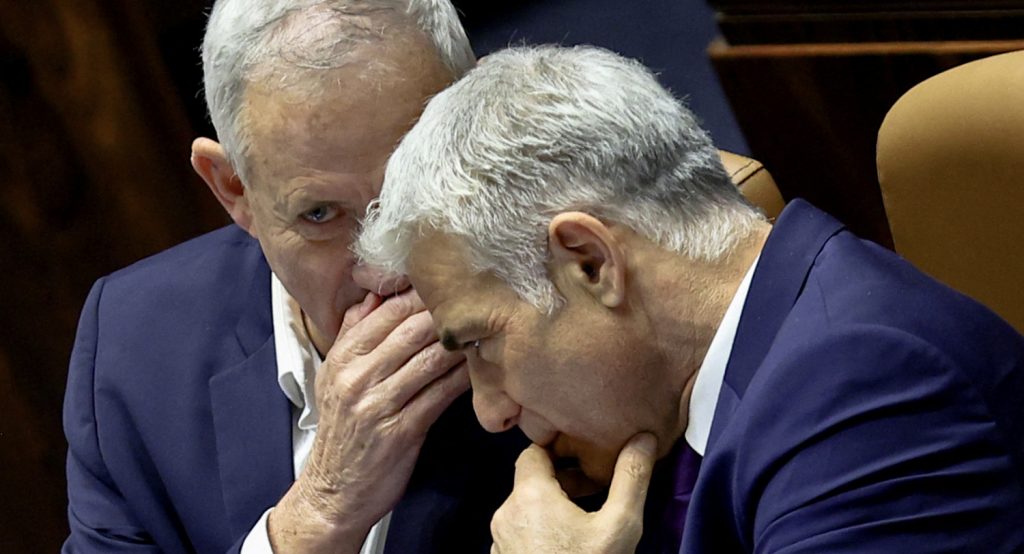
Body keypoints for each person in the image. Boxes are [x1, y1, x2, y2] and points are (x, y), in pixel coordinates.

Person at [356, 45, 1024, 553]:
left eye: (481, 344)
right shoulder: (670, 391)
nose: (491, 412)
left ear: (590, 263)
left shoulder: (864, 392)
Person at [62, 1, 524, 552]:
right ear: (235, 189)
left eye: (413, 192)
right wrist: (320, 513)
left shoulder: (575, 316)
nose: (384, 270)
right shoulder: (132, 349)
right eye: (320, 215)